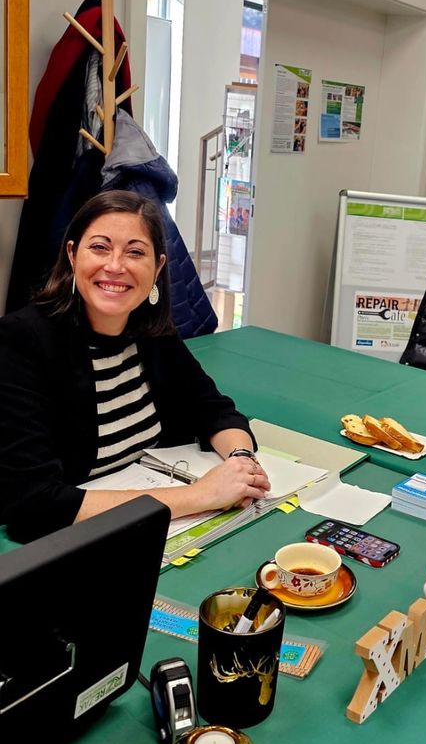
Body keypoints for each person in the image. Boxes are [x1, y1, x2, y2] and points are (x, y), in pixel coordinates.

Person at [0, 190, 271, 542]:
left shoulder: (151, 332)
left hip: (149, 528)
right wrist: (201, 496)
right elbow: (35, 505)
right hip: (65, 545)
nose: (115, 266)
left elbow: (213, 409)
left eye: (135, 252)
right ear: (71, 254)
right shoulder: (19, 343)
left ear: (157, 267)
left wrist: (241, 464)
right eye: (99, 247)